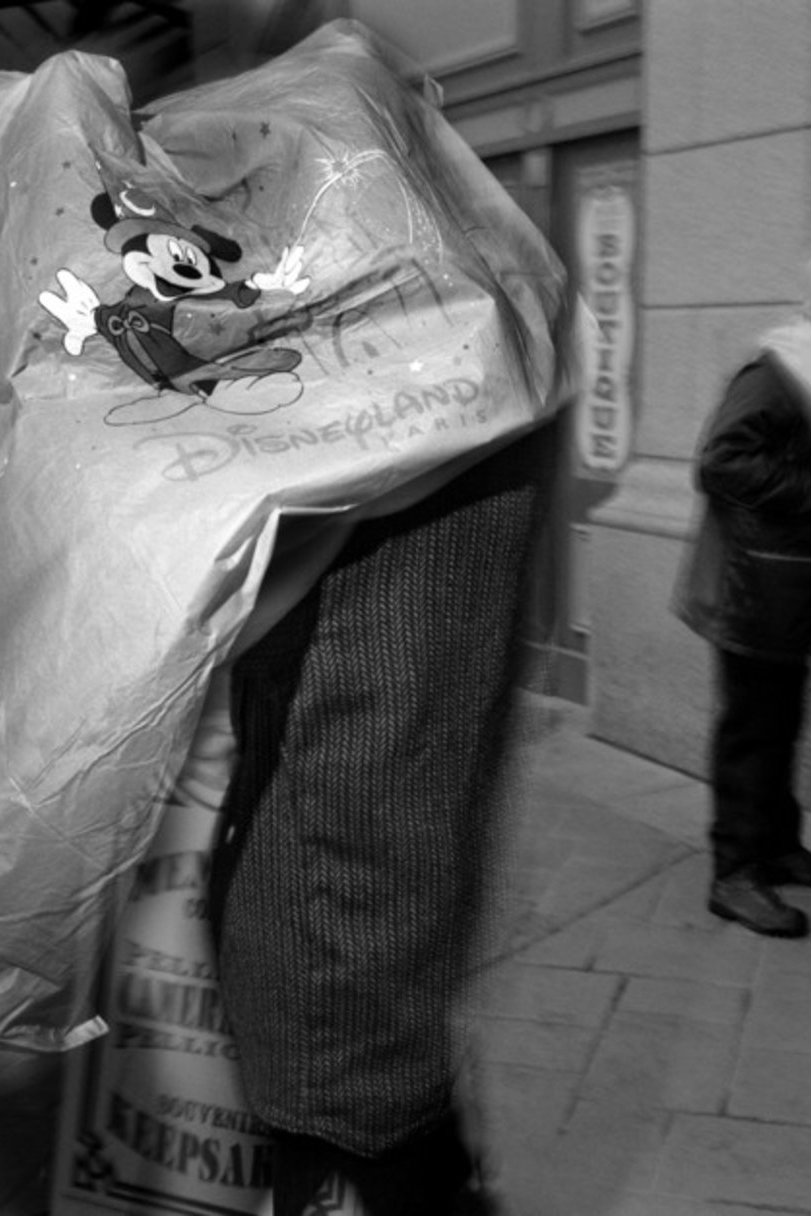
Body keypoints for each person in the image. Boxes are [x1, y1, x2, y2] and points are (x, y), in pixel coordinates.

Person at [207, 424, 556, 1216]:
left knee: (345, 987)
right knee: (368, 946)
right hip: (400, 533)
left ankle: (385, 1155)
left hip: (370, 558)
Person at [672, 245, 811, 939]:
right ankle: (733, 875)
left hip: (789, 583)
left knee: (782, 722)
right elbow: (719, 462)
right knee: (750, 731)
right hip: (751, 586)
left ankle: (775, 846)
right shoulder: (778, 370)